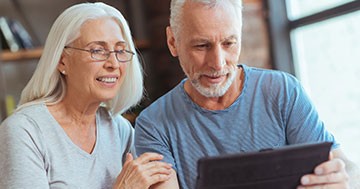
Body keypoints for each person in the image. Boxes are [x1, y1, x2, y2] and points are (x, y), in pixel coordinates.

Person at [134, 0, 360, 189]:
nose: (218, 63)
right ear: (173, 42)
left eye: (229, 43)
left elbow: (343, 168)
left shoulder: (282, 91)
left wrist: (341, 180)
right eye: (202, 46)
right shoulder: (154, 124)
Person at [0, 2, 173, 189]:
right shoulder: (24, 131)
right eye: (98, 50)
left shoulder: (119, 129)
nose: (114, 63)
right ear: (62, 60)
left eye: (120, 50)